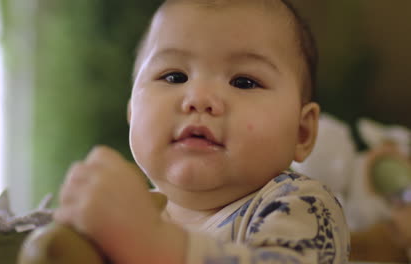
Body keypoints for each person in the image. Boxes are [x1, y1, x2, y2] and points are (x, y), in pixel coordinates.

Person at [54, 0, 350, 263]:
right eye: (174, 76)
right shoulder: (133, 211)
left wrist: (154, 244)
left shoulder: (300, 204)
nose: (199, 98)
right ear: (132, 111)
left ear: (301, 133)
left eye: (243, 82)